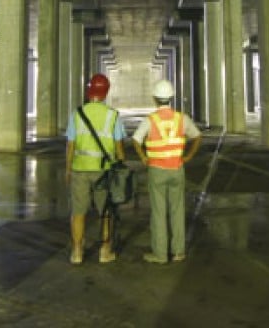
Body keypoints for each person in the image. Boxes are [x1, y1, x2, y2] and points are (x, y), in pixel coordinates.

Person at [132, 79, 202, 264]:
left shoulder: (150, 120)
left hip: (157, 170)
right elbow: (197, 136)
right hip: (177, 169)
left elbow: (136, 140)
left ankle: (160, 254)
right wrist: (188, 157)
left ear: (155, 99)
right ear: (171, 98)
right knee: (177, 210)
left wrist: (143, 158)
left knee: (158, 212)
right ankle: (178, 252)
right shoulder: (182, 118)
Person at [65, 72, 126, 265]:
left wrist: (68, 169)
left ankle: (77, 252)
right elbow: (119, 148)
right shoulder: (113, 116)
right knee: (105, 212)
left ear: (89, 91)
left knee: (78, 212)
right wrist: (121, 165)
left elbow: (70, 145)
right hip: (104, 171)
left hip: (80, 169)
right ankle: (105, 251)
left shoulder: (77, 114)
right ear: (106, 92)